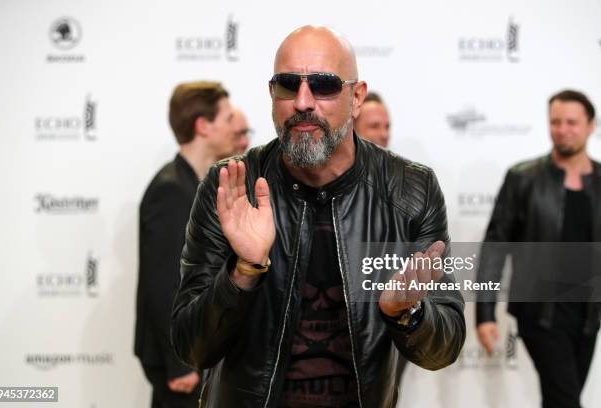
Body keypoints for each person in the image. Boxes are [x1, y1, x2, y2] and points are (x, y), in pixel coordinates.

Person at [172, 26, 465, 408]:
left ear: (356, 97)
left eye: (324, 85)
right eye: (288, 85)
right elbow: (191, 347)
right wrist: (244, 270)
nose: (303, 102)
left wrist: (406, 312)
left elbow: (445, 346)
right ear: (272, 95)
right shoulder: (231, 185)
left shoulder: (411, 189)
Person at [476, 89, 601, 408]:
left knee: (561, 398)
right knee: (565, 399)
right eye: (556, 122)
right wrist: (485, 311)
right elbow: (495, 245)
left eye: (572, 122)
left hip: (588, 314)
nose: (563, 129)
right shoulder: (524, 178)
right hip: (540, 313)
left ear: (591, 125)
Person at [135, 81, 234, 407]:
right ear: (203, 126)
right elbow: (163, 284)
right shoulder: (172, 190)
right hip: (183, 360)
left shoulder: (194, 183)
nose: (235, 129)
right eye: (228, 119)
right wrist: (182, 361)